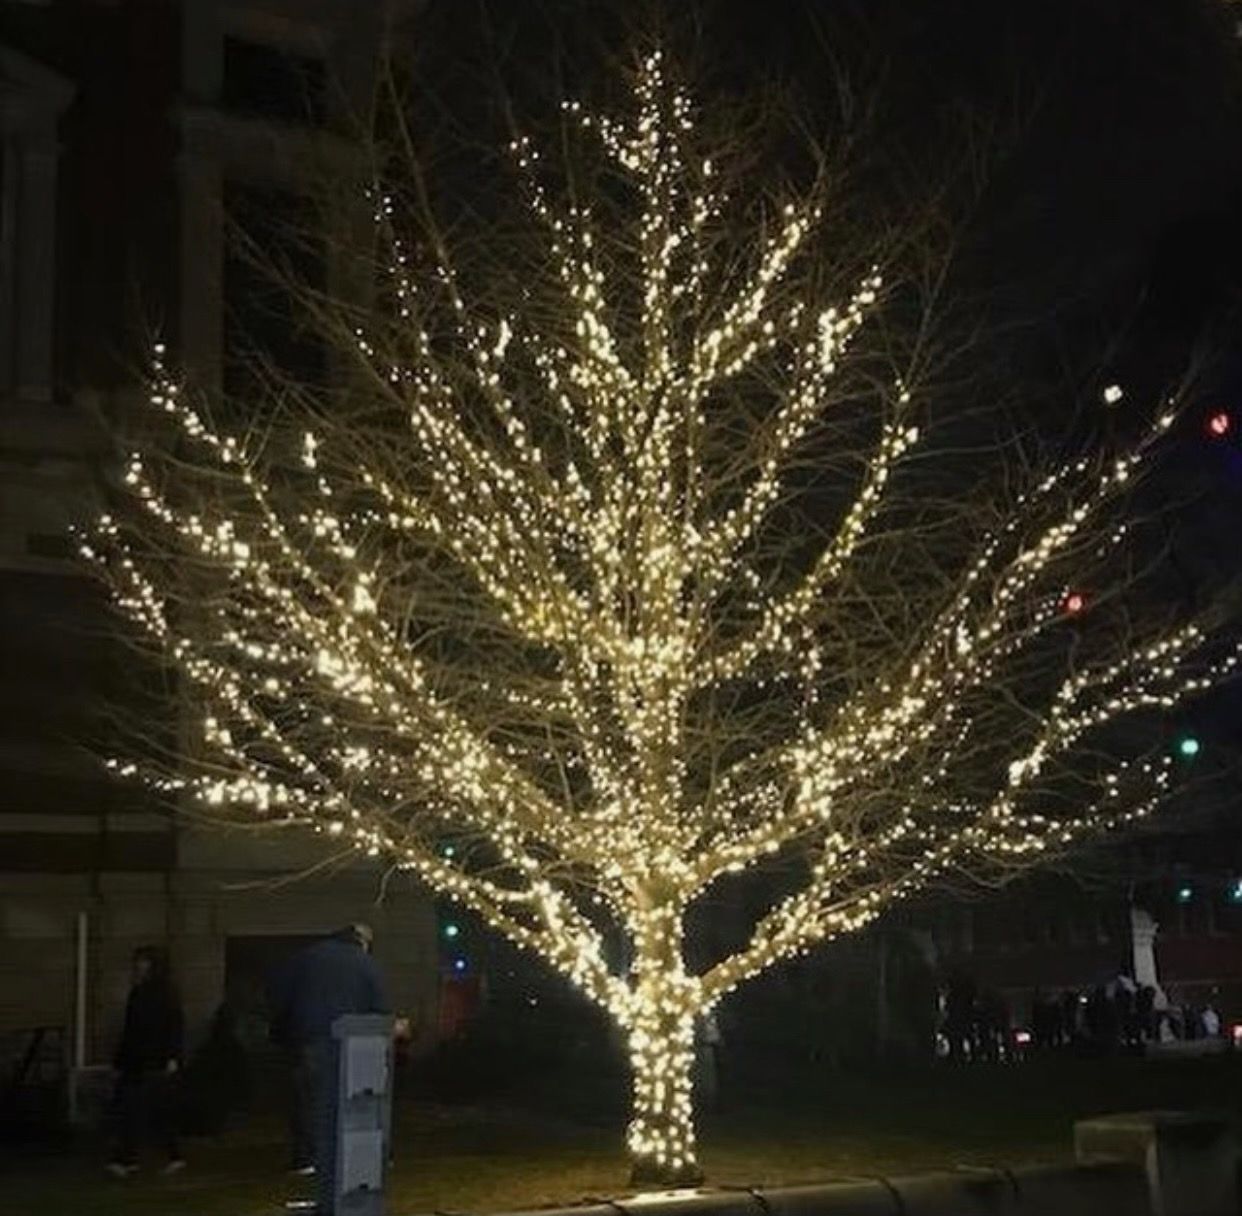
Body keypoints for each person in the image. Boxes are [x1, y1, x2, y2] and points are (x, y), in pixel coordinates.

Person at [269, 924, 389, 1211]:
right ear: (362, 942)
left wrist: (286, 1033)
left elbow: (280, 996)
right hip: (356, 1051)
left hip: (311, 1042)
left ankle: (313, 1167)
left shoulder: (307, 957)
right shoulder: (365, 963)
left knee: (315, 1110)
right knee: (352, 1117)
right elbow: (379, 1008)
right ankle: (347, 1181)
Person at [107, 946, 185, 1177]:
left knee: (141, 1110)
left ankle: (131, 1158)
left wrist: (172, 1056)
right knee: (144, 1110)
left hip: (150, 1060)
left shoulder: (160, 994)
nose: (138, 966)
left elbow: (173, 1026)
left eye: (143, 962)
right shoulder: (143, 993)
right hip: (141, 1060)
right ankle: (138, 1157)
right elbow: (131, 1031)